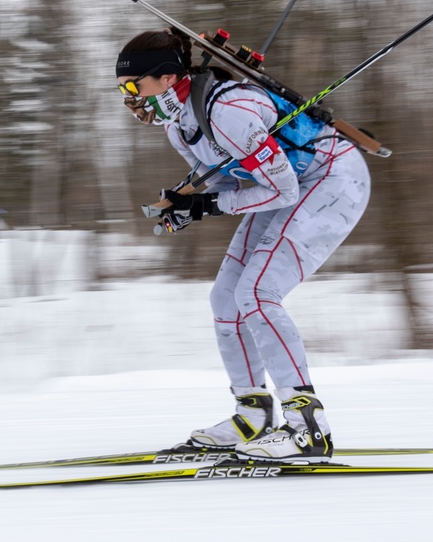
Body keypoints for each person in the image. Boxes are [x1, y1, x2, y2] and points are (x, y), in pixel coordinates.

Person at [116, 27, 371, 463]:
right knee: (226, 299)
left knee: (256, 293)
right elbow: (225, 174)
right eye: (123, 89)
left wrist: (204, 207)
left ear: (165, 77)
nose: (130, 97)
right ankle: (253, 416)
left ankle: (308, 428)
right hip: (287, 183)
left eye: (133, 86)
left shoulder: (227, 110)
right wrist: (184, 199)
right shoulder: (180, 124)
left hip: (330, 178)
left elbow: (282, 189)